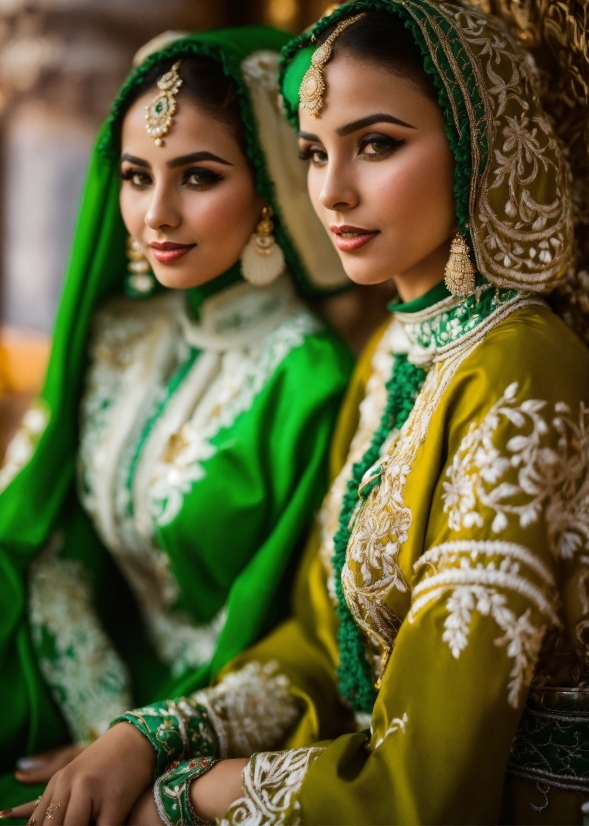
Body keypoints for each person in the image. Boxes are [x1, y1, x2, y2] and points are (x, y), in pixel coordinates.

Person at [6, 2, 589, 824]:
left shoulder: (522, 373)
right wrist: (144, 737)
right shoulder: (397, 355)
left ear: (474, 144)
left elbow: (427, 789)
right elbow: (319, 643)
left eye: (377, 145)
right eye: (314, 153)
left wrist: (186, 794)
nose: (331, 190)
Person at [0, 25, 355, 812]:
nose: (156, 213)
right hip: (81, 692)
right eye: (135, 176)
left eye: (197, 176)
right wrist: (100, 717)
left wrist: (142, 740)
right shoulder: (119, 333)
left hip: (215, 733)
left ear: (269, 185)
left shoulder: (313, 381)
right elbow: (54, 543)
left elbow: (286, 631)